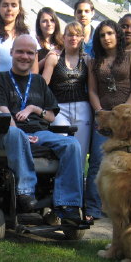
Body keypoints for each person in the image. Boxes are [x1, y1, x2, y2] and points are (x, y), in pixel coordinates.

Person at [0, 34, 83, 224]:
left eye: (29, 53)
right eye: (20, 51)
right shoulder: (1, 80)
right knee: (15, 133)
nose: (24, 56)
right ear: (12, 52)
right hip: (10, 133)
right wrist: (21, 133)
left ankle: (69, 204)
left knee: (72, 144)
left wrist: (34, 108)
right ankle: (25, 193)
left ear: (35, 56)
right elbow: (4, 113)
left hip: (40, 134)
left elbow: (51, 116)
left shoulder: (39, 82)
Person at [85, 19, 131, 221]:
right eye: (102, 35)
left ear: (117, 35)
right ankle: (92, 209)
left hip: (127, 120)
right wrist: (100, 111)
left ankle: (130, 209)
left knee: (129, 164)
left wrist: (125, 110)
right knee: (97, 163)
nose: (106, 38)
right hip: (103, 120)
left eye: (110, 33)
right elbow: (92, 90)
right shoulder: (94, 63)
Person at [42, 21, 91, 171]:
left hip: (82, 107)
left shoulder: (87, 59)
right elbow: (43, 85)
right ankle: (60, 188)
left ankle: (78, 190)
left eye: (77, 35)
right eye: (70, 34)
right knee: (63, 148)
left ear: (82, 37)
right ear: (63, 37)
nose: (73, 38)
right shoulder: (54, 57)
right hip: (60, 108)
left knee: (80, 153)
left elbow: (93, 87)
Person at [35, 7, 63, 73]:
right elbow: (31, 71)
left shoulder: (63, 43)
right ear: (39, 24)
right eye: (44, 21)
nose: (49, 24)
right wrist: (47, 59)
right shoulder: (34, 43)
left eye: (52, 20)